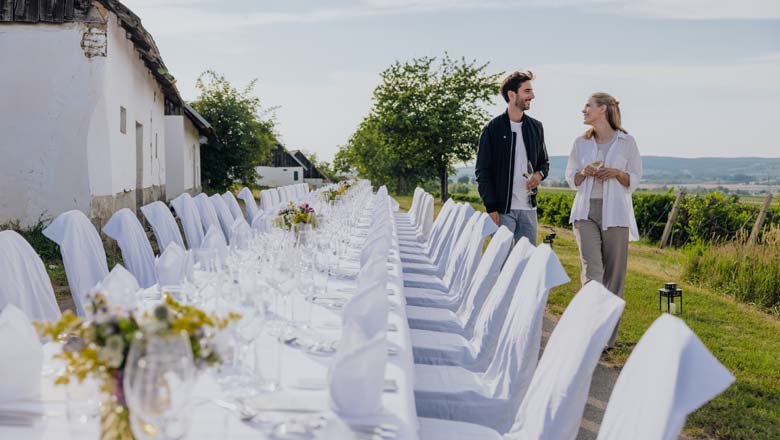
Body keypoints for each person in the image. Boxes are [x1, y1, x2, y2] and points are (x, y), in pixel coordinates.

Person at [565, 92, 642, 348]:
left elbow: (635, 178)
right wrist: (582, 172)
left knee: (614, 279)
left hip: (616, 214)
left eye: (588, 106)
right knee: (593, 274)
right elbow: (571, 179)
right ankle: (587, 334)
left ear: (603, 110)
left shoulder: (626, 142)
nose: (583, 110)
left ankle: (606, 340)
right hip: (585, 213)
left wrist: (618, 173)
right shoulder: (580, 143)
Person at [475, 71, 550, 245]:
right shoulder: (492, 129)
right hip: (502, 210)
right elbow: (482, 171)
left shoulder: (536, 127)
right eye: (527, 91)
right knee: (503, 262)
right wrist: (491, 207)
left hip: (529, 209)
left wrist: (539, 175)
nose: (532, 96)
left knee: (525, 263)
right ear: (511, 94)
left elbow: (544, 163)